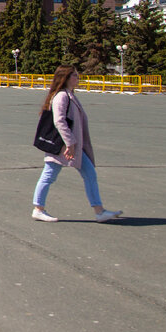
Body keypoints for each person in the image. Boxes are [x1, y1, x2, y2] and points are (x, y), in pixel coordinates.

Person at [31, 65, 123, 223]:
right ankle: (38, 209)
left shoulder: (69, 94)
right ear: (65, 78)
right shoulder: (62, 96)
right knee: (49, 175)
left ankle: (99, 211)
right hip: (63, 147)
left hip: (73, 147)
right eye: (74, 75)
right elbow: (59, 121)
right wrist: (70, 143)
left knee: (90, 174)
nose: (77, 78)